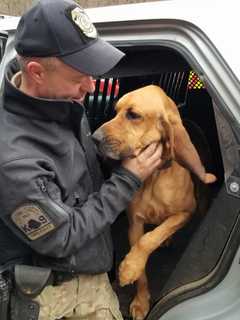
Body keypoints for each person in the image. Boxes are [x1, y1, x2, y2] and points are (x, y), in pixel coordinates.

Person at [0, 0, 162, 319]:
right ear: (36, 72)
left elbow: (81, 176)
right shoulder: (11, 158)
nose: (90, 86)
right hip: (50, 297)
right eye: (79, 77)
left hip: (91, 269)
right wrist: (128, 179)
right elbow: (62, 238)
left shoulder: (60, 101)